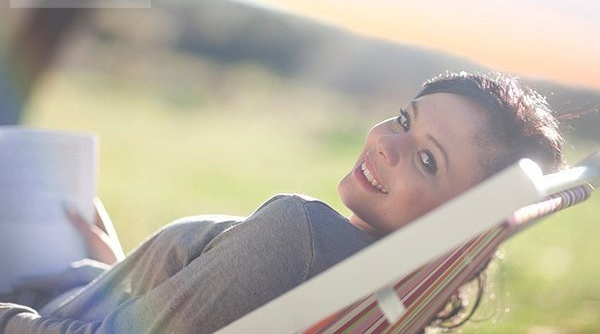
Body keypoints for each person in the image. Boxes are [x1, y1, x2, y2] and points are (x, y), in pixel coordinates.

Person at [0, 71, 565, 333]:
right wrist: (117, 270)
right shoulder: (381, 300)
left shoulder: (301, 236)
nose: (386, 145)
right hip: (77, 291)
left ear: (459, 224)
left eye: (427, 160)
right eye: (402, 120)